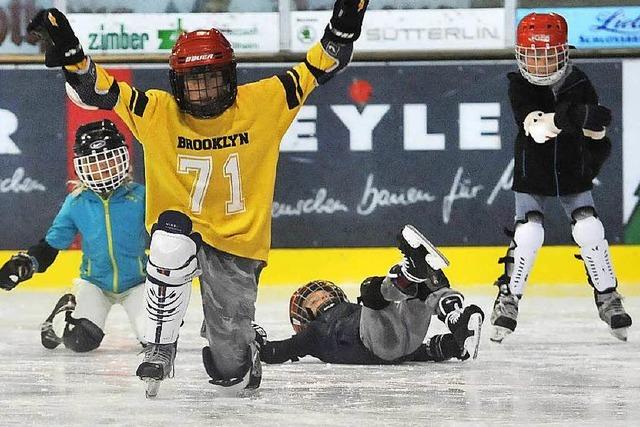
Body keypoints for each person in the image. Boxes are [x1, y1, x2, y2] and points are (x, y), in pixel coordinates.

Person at [27, 0, 369, 397]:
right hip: (181, 231)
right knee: (170, 238)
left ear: (231, 76)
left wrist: (341, 30)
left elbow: (318, 68)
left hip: (237, 246)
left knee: (231, 373)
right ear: (176, 83)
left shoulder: (266, 101)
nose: (203, 89)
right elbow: (100, 89)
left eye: (212, 78)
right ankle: (160, 346)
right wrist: (73, 54)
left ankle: (243, 352)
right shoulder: (158, 110)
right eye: (193, 80)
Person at [490, 12, 632, 343]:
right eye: (533, 56)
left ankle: (607, 296)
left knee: (589, 227)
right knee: (528, 233)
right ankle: (508, 297)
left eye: (547, 56)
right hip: (533, 170)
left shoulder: (579, 82)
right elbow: (537, 128)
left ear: (563, 53)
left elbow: (595, 130)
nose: (539, 65)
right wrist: (570, 118)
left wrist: (595, 135)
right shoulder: (520, 85)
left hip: (571, 168)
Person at [0, 120, 148, 352]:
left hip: (139, 283)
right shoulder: (76, 202)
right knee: (80, 340)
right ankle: (64, 314)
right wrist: (28, 262)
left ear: (123, 159)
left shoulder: (142, 197)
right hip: (95, 284)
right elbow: (51, 244)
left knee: (157, 338)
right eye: (94, 162)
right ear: (82, 167)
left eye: (109, 159)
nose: (103, 168)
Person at [256, 225, 485, 365]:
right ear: (304, 318)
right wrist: (254, 341)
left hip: (404, 342)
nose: (321, 299)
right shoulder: (313, 335)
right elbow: (277, 352)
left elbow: (418, 352)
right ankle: (408, 273)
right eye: (313, 302)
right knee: (369, 289)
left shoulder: (355, 311)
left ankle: (456, 320)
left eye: (322, 295)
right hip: (373, 344)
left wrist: (447, 346)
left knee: (425, 285)